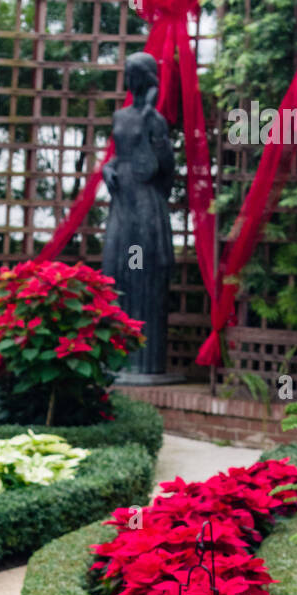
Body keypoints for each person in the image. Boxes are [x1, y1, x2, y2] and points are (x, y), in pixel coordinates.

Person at [102, 52, 175, 376]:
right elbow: (119, 155)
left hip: (146, 201)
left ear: (145, 79)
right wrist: (108, 168)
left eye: (135, 75)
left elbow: (166, 169)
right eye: (127, 74)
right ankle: (115, 355)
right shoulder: (119, 116)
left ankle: (145, 360)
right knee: (115, 265)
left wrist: (149, 117)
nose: (130, 81)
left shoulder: (155, 120)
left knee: (144, 271)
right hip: (122, 199)